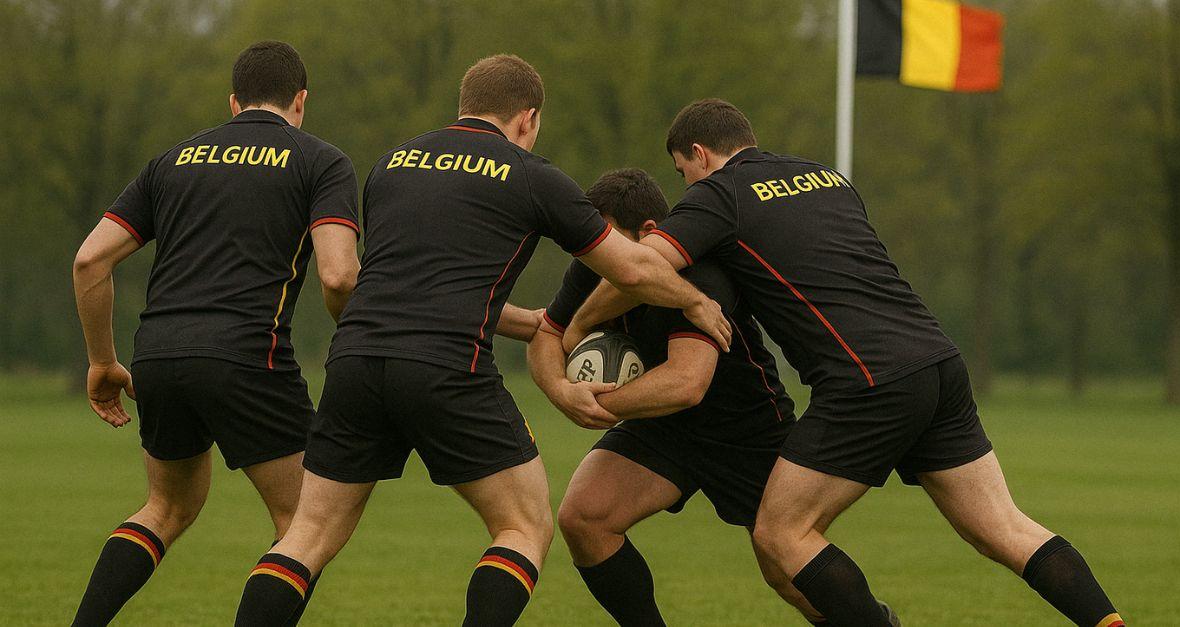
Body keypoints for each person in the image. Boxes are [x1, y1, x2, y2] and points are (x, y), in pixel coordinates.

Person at [563, 99, 1123, 627]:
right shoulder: (826, 177)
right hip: (938, 362)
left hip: (866, 380)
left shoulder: (721, 193)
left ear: (700, 155)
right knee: (1003, 528)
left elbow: (637, 269)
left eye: (682, 171)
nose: (684, 188)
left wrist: (581, 325)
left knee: (782, 534)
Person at [231, 55, 731, 627]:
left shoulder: (394, 164)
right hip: (446, 365)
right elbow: (634, 270)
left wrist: (541, 323)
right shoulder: (530, 173)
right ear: (528, 118)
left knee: (307, 536)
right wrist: (692, 300)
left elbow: (408, 285)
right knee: (524, 526)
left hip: (355, 361)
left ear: (465, 105)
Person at [69, 41, 360, 626]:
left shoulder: (172, 160)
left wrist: (103, 361)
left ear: (234, 102)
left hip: (159, 355)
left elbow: (89, 262)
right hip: (248, 356)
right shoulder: (321, 161)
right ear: (300, 100)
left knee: (167, 507)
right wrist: (360, 342)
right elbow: (338, 274)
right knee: (306, 525)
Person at [528, 168, 813, 625]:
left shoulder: (701, 273)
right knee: (585, 517)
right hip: (660, 427)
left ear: (650, 234)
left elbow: (686, 384)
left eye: (609, 238)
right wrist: (562, 391)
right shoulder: (592, 267)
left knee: (788, 571)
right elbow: (546, 334)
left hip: (744, 430)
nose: (600, 251)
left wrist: (598, 405)